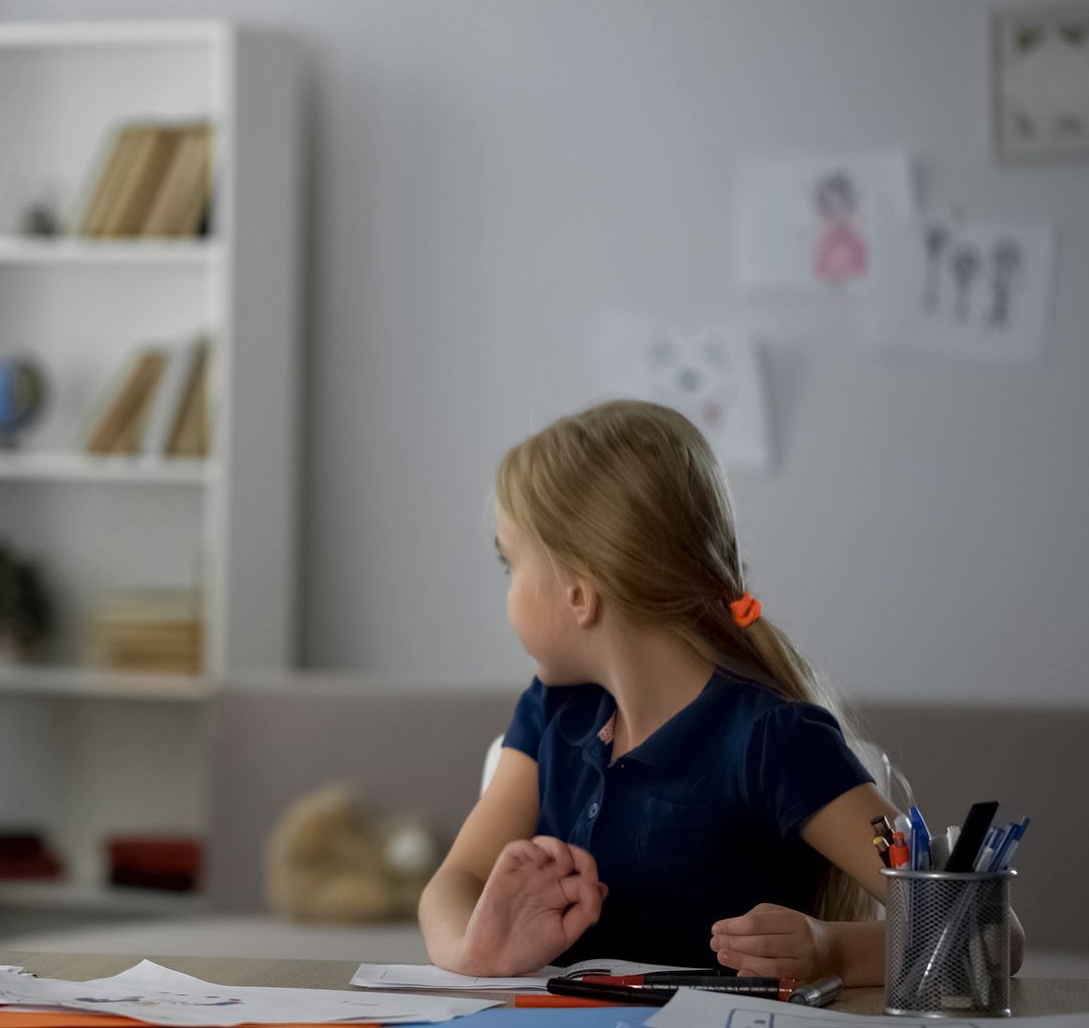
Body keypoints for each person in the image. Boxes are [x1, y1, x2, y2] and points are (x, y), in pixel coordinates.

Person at [416, 400, 1024, 985]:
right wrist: (474, 949)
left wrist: (830, 947)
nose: (507, 590)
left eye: (509, 564)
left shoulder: (773, 740)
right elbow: (456, 880)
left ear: (580, 592)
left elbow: (988, 930)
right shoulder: (553, 711)